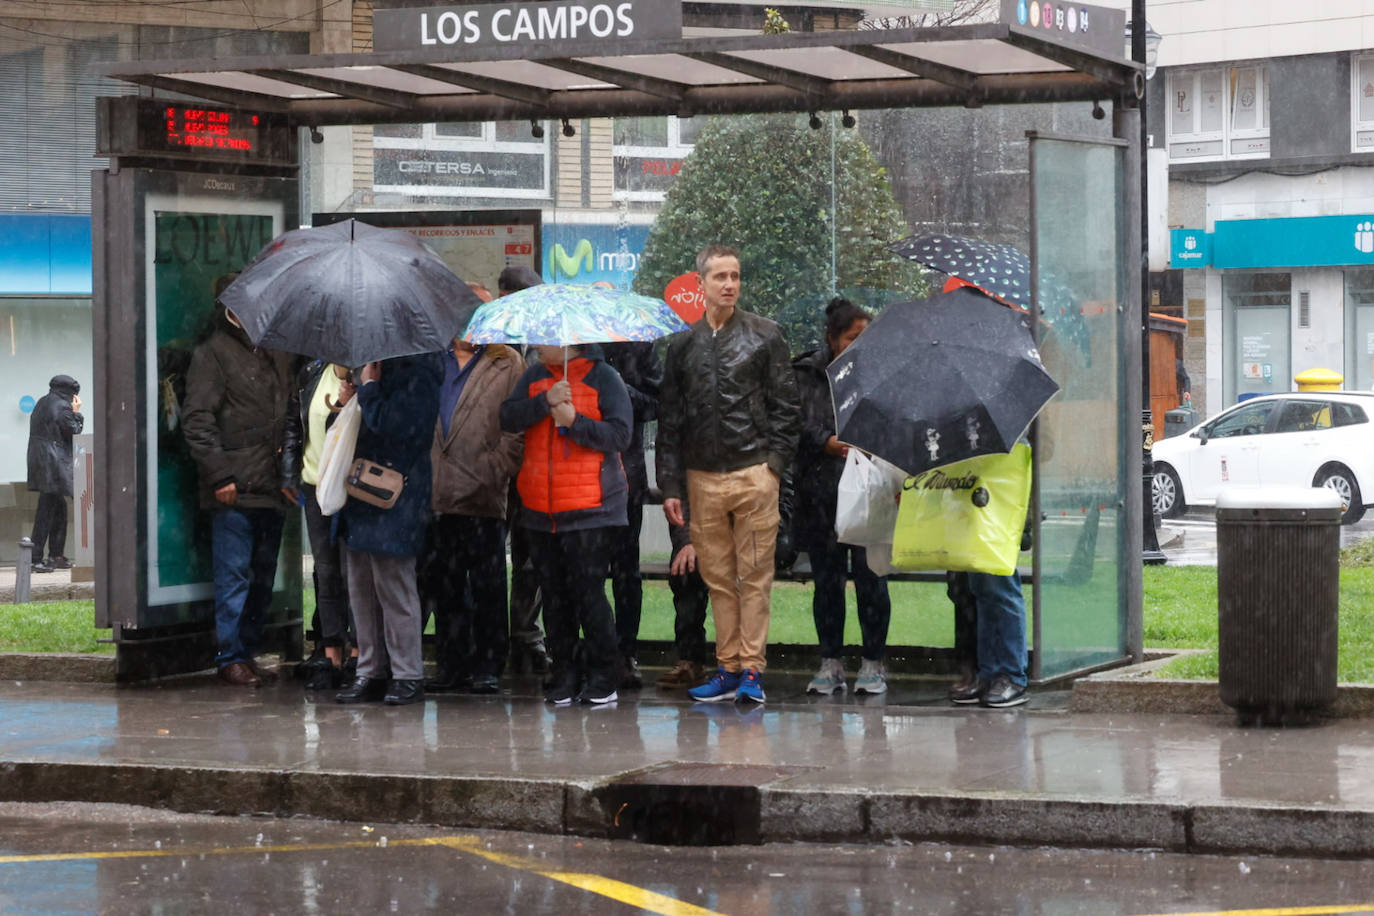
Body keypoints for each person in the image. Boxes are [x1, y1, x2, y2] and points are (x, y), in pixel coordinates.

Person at [657, 243, 801, 704]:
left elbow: (787, 407)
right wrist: (672, 486)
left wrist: (773, 468)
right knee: (718, 578)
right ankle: (728, 666)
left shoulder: (765, 336)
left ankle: (752, 671)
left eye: (735, 276)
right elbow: (671, 421)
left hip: (753, 472)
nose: (730, 285)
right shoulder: (682, 345)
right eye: (720, 276)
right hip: (702, 478)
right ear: (700, 284)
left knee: (755, 576)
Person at [500, 342, 632, 706]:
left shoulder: (604, 378)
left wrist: (575, 422)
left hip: (591, 509)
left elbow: (620, 435)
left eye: (544, 341)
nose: (538, 347)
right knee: (554, 598)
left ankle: (604, 675)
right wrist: (544, 402)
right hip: (540, 508)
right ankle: (564, 674)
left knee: (588, 596)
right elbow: (508, 417)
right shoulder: (534, 376)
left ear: (567, 343)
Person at [182, 285, 294, 689]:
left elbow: (290, 410)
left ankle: (244, 652)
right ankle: (230, 655)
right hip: (234, 486)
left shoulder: (277, 348)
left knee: (261, 577)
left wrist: (288, 471)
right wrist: (220, 476)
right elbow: (197, 420)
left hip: (272, 485)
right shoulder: (212, 352)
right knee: (235, 578)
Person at [793, 298, 892, 696]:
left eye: (866, 337)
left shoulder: (881, 373)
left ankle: (874, 662)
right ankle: (830, 661)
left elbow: (894, 421)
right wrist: (826, 442)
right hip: (821, 493)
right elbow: (794, 423)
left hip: (871, 492)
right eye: (852, 337)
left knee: (872, 579)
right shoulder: (806, 374)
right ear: (833, 339)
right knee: (827, 582)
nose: (859, 344)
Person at [334, 353, 443, 707]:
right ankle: (370, 670)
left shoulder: (422, 371)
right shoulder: (377, 367)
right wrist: (350, 402)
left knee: (395, 588)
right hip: (362, 492)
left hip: (396, 494)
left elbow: (398, 429)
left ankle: (407, 673)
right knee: (361, 588)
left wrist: (368, 390)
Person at [420, 336, 524, 695]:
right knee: (444, 586)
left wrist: (498, 466)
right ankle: (451, 665)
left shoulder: (506, 361)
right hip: (436, 491)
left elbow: (517, 423)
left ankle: (488, 665)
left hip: (483, 491)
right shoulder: (433, 358)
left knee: (488, 586)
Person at [282, 361, 357, 690]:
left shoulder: (369, 375)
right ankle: (330, 652)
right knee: (325, 573)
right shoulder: (311, 373)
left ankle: (358, 651)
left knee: (351, 572)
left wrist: (350, 403)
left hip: (354, 489)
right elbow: (292, 426)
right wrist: (289, 469)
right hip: (315, 487)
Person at [497, 265, 553, 676]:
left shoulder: (544, 347)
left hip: (531, 470)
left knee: (532, 561)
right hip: (495, 468)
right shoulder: (492, 343)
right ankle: (500, 638)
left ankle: (526, 638)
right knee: (484, 557)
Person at [600, 340, 663, 689]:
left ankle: (626, 652)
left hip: (626, 477)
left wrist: (618, 388)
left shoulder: (640, 349)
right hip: (580, 476)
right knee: (583, 573)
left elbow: (656, 404)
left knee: (626, 571)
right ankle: (590, 650)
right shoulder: (575, 347)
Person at [26, 374, 84, 573]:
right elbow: (74, 432)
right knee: (47, 510)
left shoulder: (43, 402)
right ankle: (34, 559)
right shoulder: (63, 407)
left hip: (42, 461)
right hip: (53, 463)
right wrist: (77, 413)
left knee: (59, 508)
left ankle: (55, 555)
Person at [654, 510, 712, 690]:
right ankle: (690, 660)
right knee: (685, 567)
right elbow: (676, 489)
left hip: (738, 525)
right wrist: (688, 540)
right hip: (695, 525)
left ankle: (740, 667)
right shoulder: (683, 485)